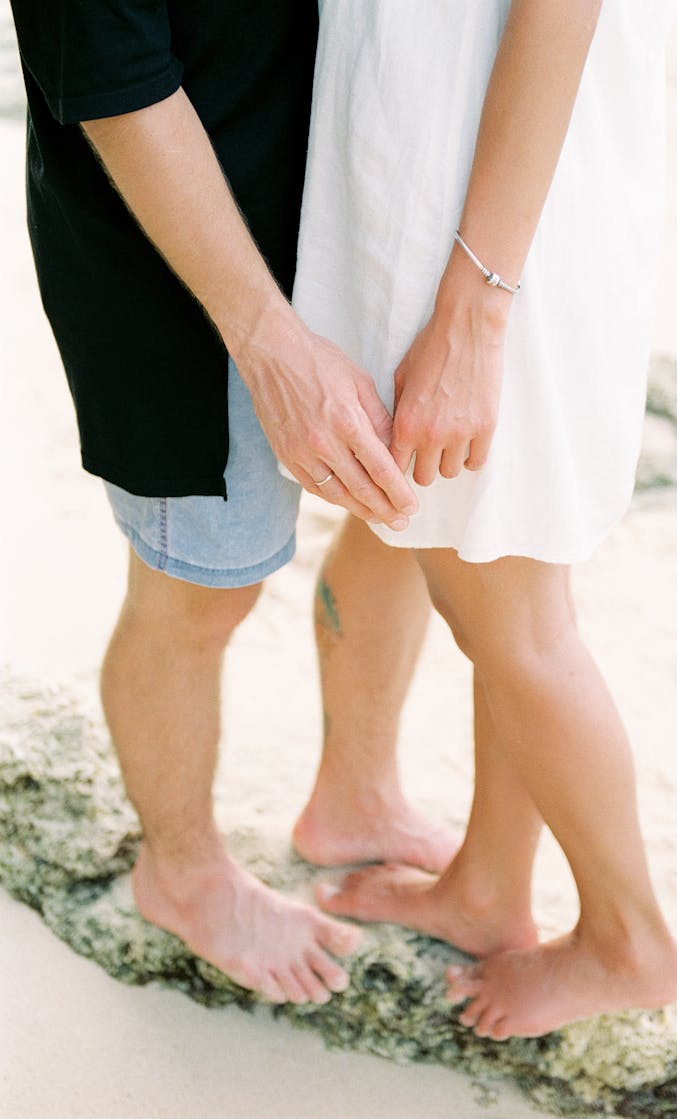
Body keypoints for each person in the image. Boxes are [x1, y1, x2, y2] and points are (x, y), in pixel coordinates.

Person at [7, 0, 457, 1007]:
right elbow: (110, 69)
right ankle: (182, 872)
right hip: (181, 262)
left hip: (366, 201)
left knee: (403, 512)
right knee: (202, 585)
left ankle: (358, 793)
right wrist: (268, 340)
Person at [292, 0, 677, 1038]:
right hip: (455, 177)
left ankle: (627, 939)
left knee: (512, 606)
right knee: (441, 526)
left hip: (474, 209)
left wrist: (476, 304)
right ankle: (466, 870)